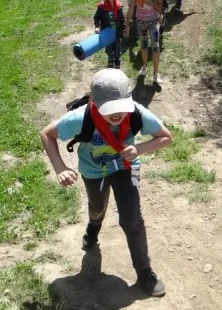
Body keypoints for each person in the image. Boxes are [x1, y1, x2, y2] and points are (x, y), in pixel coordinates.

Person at [40, 68, 172, 297]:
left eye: (122, 107)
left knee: (132, 219)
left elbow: (166, 137)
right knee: (97, 207)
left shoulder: (135, 112)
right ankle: (93, 227)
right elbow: (47, 134)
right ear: (93, 101)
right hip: (93, 171)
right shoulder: (81, 117)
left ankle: (144, 272)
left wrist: (139, 149)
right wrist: (60, 168)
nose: (117, 114)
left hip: (125, 168)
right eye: (109, 109)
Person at [124, 0, 164, 84]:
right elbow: (131, 8)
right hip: (140, 22)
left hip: (153, 21)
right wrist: (127, 25)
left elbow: (160, 6)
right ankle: (144, 66)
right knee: (144, 45)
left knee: (155, 46)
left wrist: (150, 3)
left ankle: (156, 73)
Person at [93, 0, 125, 69]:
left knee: (117, 49)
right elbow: (97, 17)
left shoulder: (119, 6)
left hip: (117, 32)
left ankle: (117, 62)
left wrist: (125, 29)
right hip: (106, 32)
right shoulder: (102, 6)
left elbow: (122, 19)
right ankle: (110, 60)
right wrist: (97, 27)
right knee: (109, 49)